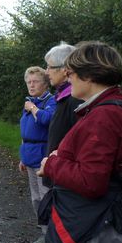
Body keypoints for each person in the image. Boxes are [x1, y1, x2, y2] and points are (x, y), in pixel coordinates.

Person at [37, 41, 122, 243]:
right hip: (112, 217)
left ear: (89, 75)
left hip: (100, 226)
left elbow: (91, 182)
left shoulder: (105, 116)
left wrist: (52, 164)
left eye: (70, 73)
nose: (68, 79)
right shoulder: (118, 104)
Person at [18, 66, 56, 243]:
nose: (31, 85)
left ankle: (50, 237)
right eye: (28, 82)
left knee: (45, 198)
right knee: (36, 199)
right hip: (30, 156)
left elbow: (47, 120)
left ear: (45, 83)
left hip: (43, 159)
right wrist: (22, 158)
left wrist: (33, 108)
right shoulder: (29, 102)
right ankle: (45, 232)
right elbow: (25, 132)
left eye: (35, 82)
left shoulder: (51, 101)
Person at [43, 42, 83, 188]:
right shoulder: (62, 97)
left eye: (49, 67)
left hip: (66, 181)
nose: (46, 72)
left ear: (64, 70)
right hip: (58, 173)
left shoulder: (75, 100)